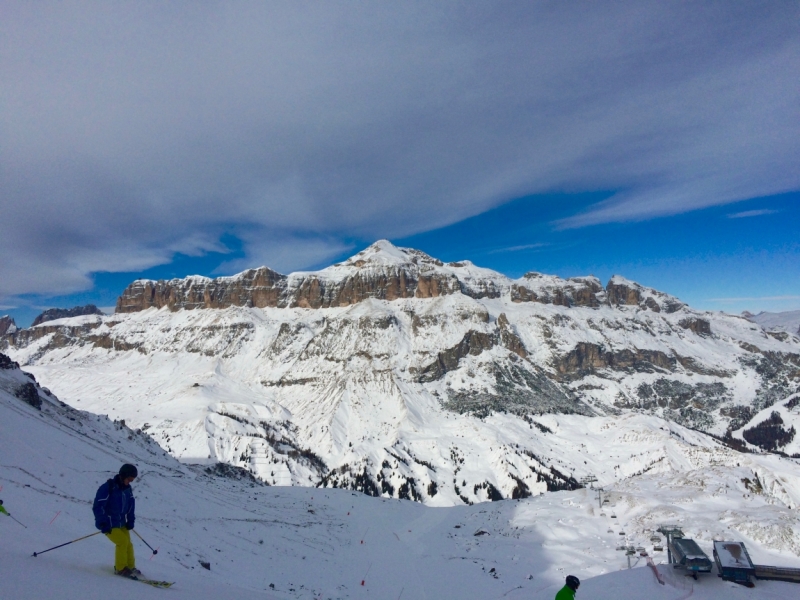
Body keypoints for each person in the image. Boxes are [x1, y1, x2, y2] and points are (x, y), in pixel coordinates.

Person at [93, 464, 140, 577]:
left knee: (129, 544)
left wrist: (130, 520)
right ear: (123, 476)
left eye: (132, 480)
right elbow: (98, 506)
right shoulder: (108, 487)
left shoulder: (127, 489)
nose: (130, 482)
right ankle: (120, 568)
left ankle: (130, 567)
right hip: (109, 524)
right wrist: (102, 523)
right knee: (122, 542)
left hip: (121, 523)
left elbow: (130, 505)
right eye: (129, 479)